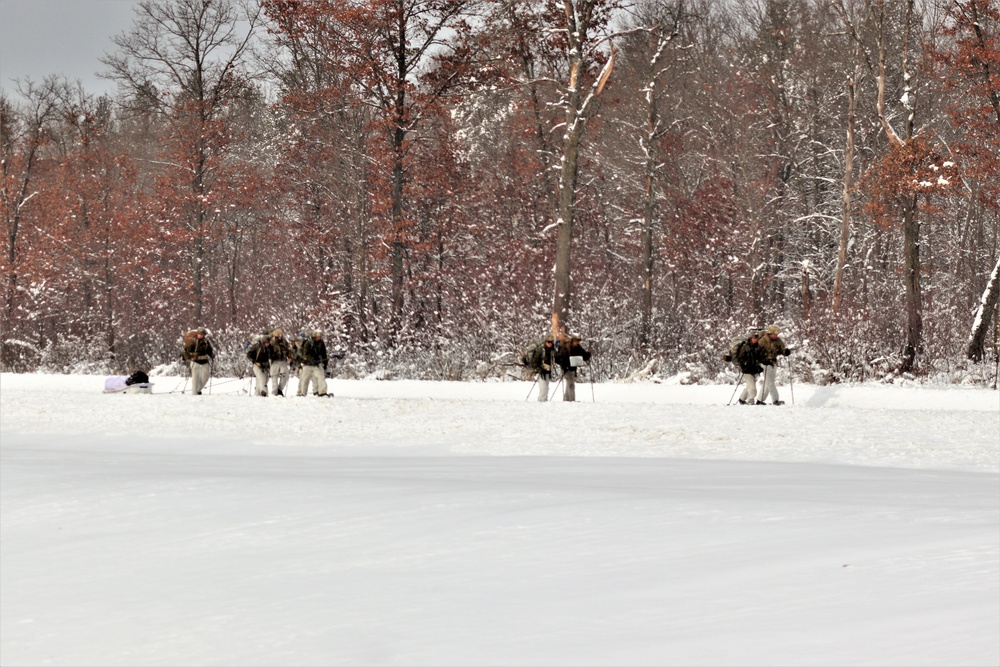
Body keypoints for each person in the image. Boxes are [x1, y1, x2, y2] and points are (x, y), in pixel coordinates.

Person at [757, 324, 792, 405]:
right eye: (774, 334)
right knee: (770, 382)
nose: (775, 336)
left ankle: (759, 400)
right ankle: (775, 400)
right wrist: (762, 360)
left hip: (773, 363)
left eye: (776, 334)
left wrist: (786, 352)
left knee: (768, 382)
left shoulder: (778, 340)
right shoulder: (763, 340)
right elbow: (757, 352)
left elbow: (782, 349)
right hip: (764, 363)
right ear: (770, 333)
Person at [729, 332, 764, 404]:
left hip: (754, 370)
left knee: (750, 386)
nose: (755, 340)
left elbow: (759, 357)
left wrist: (760, 365)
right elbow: (740, 358)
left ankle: (742, 399)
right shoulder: (745, 346)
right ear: (751, 338)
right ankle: (751, 401)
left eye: (756, 339)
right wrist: (744, 365)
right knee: (752, 389)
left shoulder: (758, 346)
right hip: (747, 370)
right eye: (754, 338)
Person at [555, 333, 591, 402]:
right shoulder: (566, 348)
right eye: (576, 341)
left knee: (569, 383)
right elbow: (559, 358)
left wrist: (588, 355)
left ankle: (566, 399)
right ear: (572, 341)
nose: (577, 342)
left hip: (572, 369)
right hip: (565, 368)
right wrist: (565, 364)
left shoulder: (578, 348)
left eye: (578, 341)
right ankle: (572, 400)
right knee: (571, 384)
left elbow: (584, 356)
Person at [297, 329, 329, 397]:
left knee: (321, 377)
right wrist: (312, 360)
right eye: (317, 336)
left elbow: (324, 354)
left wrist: (325, 364)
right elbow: (305, 354)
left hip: (317, 364)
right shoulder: (308, 343)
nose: (319, 338)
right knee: (305, 379)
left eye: (320, 336)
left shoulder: (321, 343)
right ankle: (303, 393)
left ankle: (322, 392)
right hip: (307, 364)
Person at [525, 334, 557, 402]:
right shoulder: (540, 350)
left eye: (551, 342)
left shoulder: (553, 350)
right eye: (548, 342)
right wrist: (539, 370)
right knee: (543, 388)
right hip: (540, 372)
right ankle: (541, 403)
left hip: (548, 371)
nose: (550, 343)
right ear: (545, 342)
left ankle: (544, 401)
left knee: (546, 388)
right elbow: (534, 362)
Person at [183, 327, 214, 395]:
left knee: (206, 377)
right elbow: (186, 353)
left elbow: (209, 350)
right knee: (195, 379)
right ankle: (194, 393)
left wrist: (212, 355)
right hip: (195, 361)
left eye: (201, 334)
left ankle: (198, 389)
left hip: (204, 361)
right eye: (199, 334)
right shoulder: (193, 342)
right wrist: (194, 354)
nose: (200, 335)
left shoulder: (206, 342)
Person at [268, 328, 293, 397]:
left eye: (281, 335)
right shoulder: (271, 341)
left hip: (283, 360)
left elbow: (288, 348)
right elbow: (268, 351)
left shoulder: (284, 341)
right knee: (274, 376)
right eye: (278, 335)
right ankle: (274, 392)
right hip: (274, 361)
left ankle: (280, 389)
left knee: (285, 376)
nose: (280, 337)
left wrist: (290, 356)